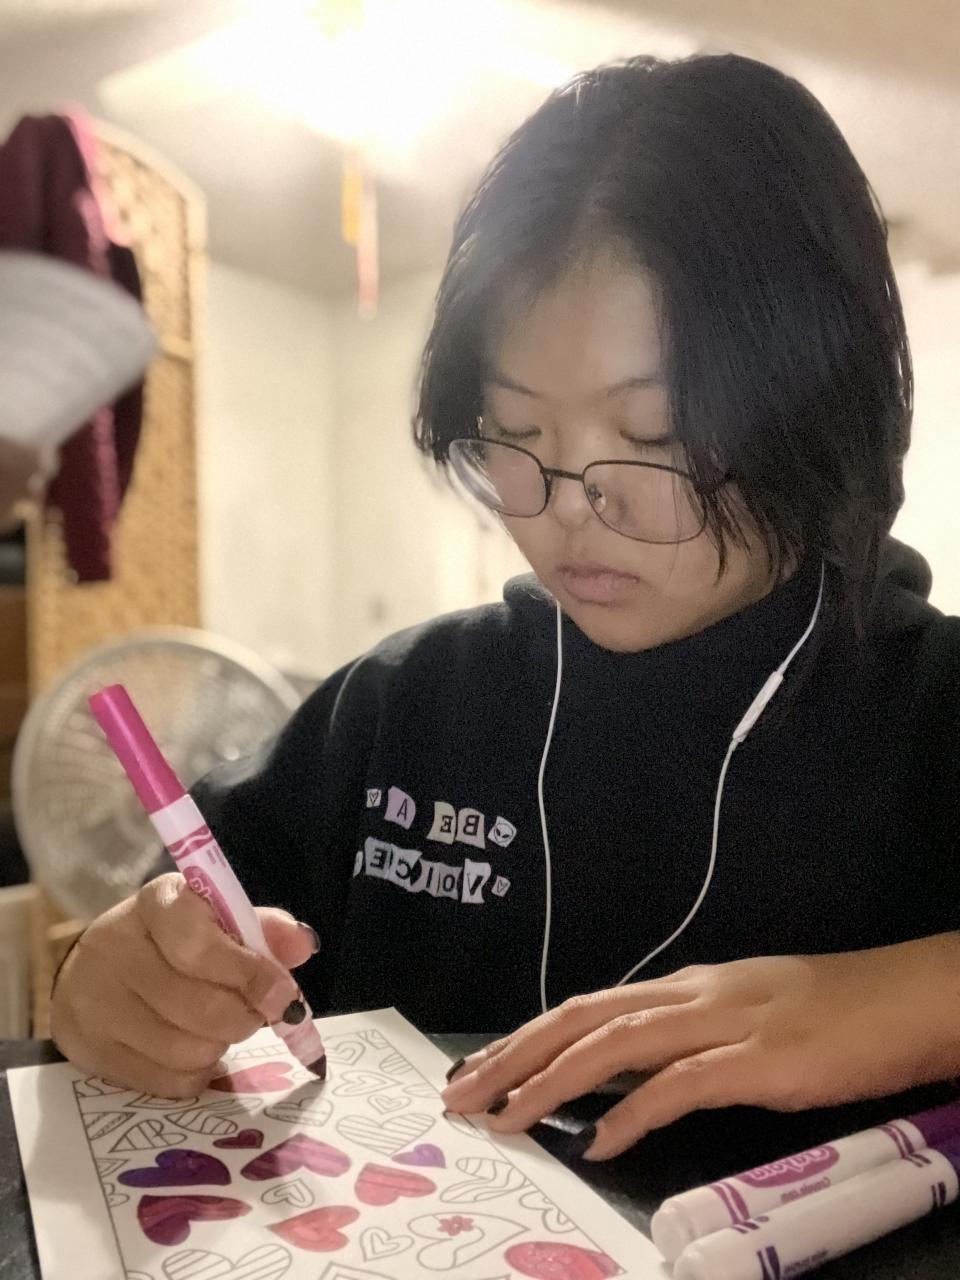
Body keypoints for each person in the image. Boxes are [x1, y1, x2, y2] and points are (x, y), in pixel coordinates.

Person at [50, 53, 960, 1163]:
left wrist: (919, 999)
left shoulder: (932, 715)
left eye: (656, 436)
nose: (568, 505)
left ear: (821, 405)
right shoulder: (403, 707)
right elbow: (174, 934)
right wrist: (113, 984)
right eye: (517, 434)